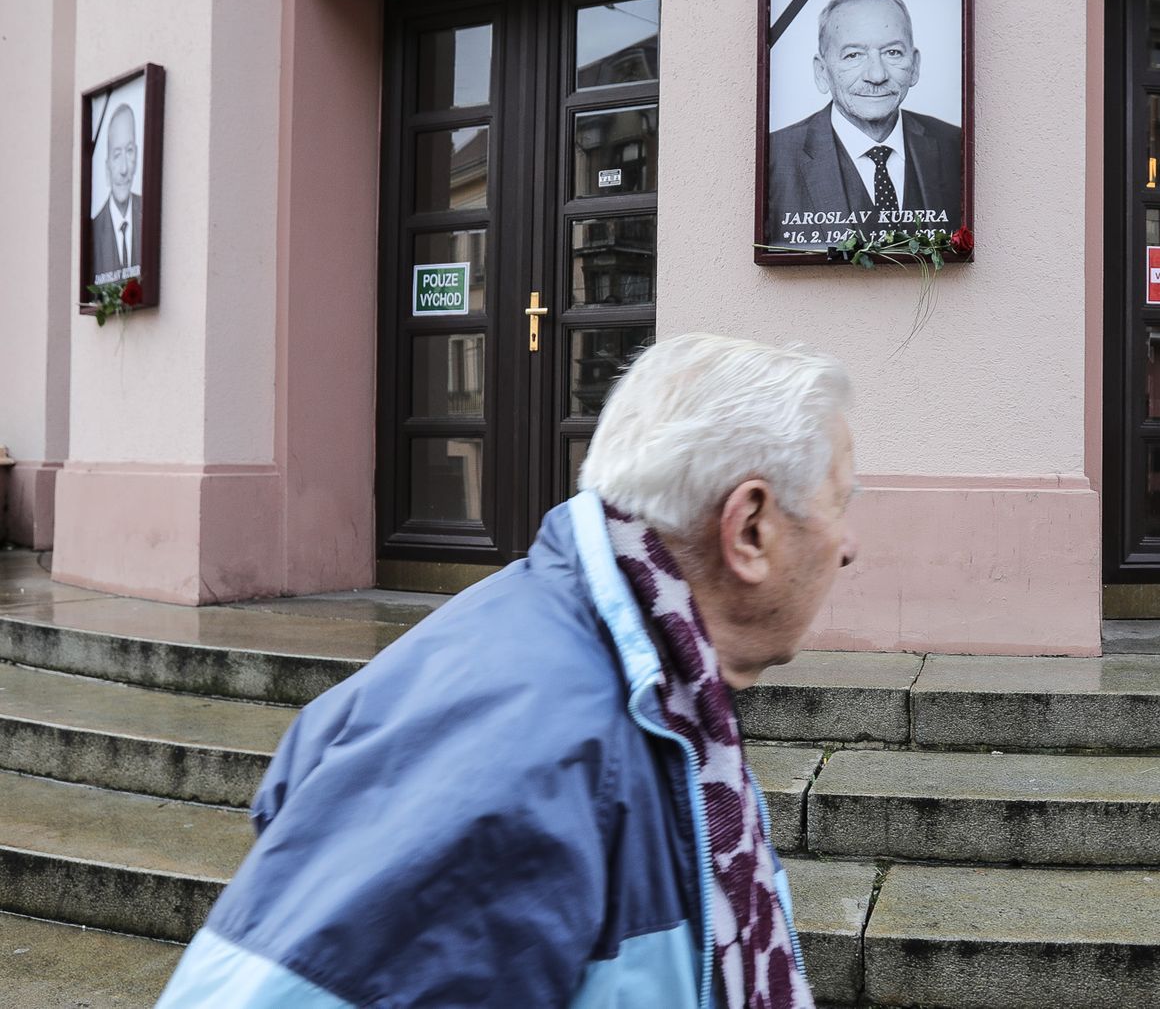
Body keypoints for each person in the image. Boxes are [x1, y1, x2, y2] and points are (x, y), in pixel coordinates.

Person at [155, 333, 857, 1009]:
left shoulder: (650, 684)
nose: (847, 545)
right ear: (750, 529)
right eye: (840, 502)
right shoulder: (524, 748)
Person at [766, 0, 963, 247]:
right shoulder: (774, 158)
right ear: (822, 72)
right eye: (853, 55)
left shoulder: (955, 144)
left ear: (914, 66)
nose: (876, 75)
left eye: (892, 52)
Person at [90, 102, 141, 285]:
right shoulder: (93, 232)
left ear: (137, 156)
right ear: (106, 168)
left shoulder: (148, 216)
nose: (124, 169)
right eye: (117, 155)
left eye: (129, 151)